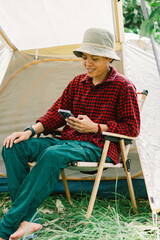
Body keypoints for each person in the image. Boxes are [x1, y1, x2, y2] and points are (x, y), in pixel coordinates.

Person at [0, 28, 140, 240]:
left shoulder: (124, 86)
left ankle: (7, 225)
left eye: (94, 58)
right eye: (84, 57)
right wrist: (29, 131)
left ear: (109, 59)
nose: (87, 63)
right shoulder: (77, 83)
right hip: (66, 142)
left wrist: (96, 127)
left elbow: (132, 128)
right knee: (13, 147)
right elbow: (56, 114)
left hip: (97, 147)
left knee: (53, 154)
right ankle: (29, 221)